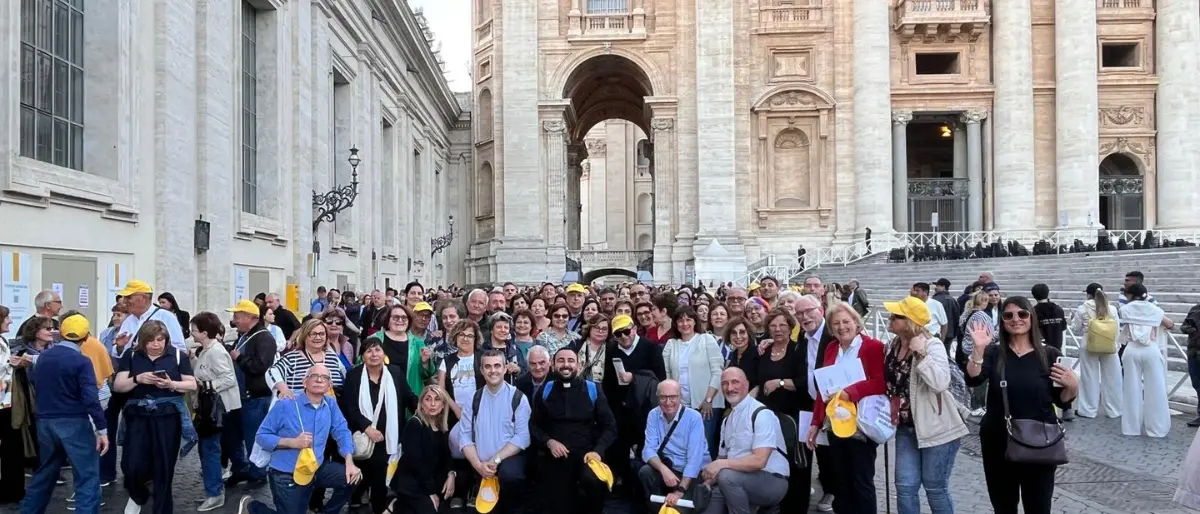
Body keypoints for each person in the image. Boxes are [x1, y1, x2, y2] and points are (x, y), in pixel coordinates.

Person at [965, 296, 1078, 514]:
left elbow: (1061, 399)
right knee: (1003, 506)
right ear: (1003, 321)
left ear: (1031, 317)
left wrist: (1072, 387)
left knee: (1038, 506)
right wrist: (978, 349)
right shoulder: (994, 352)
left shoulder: (1050, 354)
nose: (1016, 319)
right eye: (1009, 315)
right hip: (998, 439)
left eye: (1022, 314)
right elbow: (973, 378)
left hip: (1040, 440)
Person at [235, 364, 362, 514]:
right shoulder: (286, 404)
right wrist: (292, 442)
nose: (319, 380)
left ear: (329, 385)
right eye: (314, 376)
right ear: (304, 382)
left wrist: (349, 461)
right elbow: (262, 436)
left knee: (353, 477)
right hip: (287, 473)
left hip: (315, 467)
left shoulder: (330, 403)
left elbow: (341, 430)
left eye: (325, 377)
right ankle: (252, 507)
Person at [882, 298, 967, 514]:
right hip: (905, 427)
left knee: (935, 488)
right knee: (904, 487)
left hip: (936, 428)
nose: (890, 319)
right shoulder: (893, 345)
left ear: (911, 322)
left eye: (897, 316)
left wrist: (921, 354)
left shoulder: (932, 345)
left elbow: (940, 382)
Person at [20, 314, 109, 514]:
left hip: (45, 422)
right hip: (73, 422)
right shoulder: (81, 361)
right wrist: (102, 429)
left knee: (44, 474)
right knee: (87, 476)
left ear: (60, 333)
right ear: (86, 336)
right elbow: (90, 399)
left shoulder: (42, 358)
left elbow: (35, 383)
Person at [112, 320, 198, 514]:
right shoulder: (132, 355)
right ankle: (139, 494)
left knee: (164, 467)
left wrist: (171, 384)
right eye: (151, 340)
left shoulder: (177, 355)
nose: (156, 344)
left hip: (167, 416)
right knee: (131, 465)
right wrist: (137, 379)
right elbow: (118, 386)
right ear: (143, 341)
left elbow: (191, 384)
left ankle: (162, 509)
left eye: (160, 340)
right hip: (138, 416)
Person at [808, 302, 887, 514]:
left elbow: (881, 382)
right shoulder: (832, 348)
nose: (842, 327)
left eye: (846, 321)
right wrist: (815, 423)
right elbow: (823, 388)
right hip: (835, 425)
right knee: (840, 483)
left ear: (856, 322)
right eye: (836, 323)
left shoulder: (873, 347)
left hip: (861, 426)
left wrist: (850, 392)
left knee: (861, 482)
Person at [530, 348, 618, 514]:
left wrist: (598, 451)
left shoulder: (593, 389)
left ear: (579, 365)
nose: (566, 365)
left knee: (594, 482)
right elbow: (534, 426)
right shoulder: (546, 390)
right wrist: (549, 442)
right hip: (555, 457)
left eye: (571, 361)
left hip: (588, 455)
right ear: (553, 365)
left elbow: (610, 427)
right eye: (561, 361)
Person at [340, 338, 418, 512]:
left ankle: (379, 509)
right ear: (362, 356)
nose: (374, 354)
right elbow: (349, 407)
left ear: (384, 354)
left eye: (377, 350)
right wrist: (367, 429)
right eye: (369, 351)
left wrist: (423, 413)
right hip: (363, 435)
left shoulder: (395, 373)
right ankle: (355, 500)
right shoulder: (354, 375)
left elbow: (408, 397)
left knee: (380, 481)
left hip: (388, 437)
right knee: (362, 475)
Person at [700, 367, 790, 514]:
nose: (729, 388)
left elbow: (759, 461)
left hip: (772, 480)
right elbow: (721, 459)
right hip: (735, 480)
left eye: (735, 382)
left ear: (747, 385)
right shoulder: (726, 421)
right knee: (712, 497)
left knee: (726, 476)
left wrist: (721, 464)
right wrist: (708, 482)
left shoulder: (761, 414)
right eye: (724, 383)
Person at [459, 350, 532, 514]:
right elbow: (464, 436)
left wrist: (495, 459)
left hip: (508, 468)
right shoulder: (473, 399)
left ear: (505, 368)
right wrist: (478, 465)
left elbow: (523, 437)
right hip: (482, 468)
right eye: (488, 366)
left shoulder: (518, 398)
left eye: (497, 365)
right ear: (482, 370)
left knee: (510, 481)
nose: (493, 370)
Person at [191, 312, 247, 511]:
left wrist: (204, 384)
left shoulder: (216, 351)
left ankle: (215, 494)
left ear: (205, 332)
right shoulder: (207, 350)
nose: (192, 334)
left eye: (194, 331)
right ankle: (213, 491)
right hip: (212, 409)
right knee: (209, 451)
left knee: (210, 451)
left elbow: (228, 379)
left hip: (216, 410)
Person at [227, 299, 279, 486]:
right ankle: (241, 468)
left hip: (255, 397)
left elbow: (260, 366)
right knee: (234, 436)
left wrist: (239, 357)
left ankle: (257, 473)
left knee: (253, 437)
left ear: (251, 318)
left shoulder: (264, 337)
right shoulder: (243, 335)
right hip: (240, 396)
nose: (234, 320)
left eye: (238, 316)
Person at [639, 380, 710, 514]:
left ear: (680, 397)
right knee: (645, 472)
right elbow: (648, 450)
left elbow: (694, 460)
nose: (668, 402)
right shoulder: (653, 414)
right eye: (663, 397)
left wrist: (680, 490)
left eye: (673, 397)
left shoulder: (694, 417)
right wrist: (663, 469)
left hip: (693, 473)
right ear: (657, 397)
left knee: (679, 509)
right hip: (670, 468)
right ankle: (656, 509)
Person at [388, 385, 455, 514]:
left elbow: (447, 455)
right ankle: (397, 504)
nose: (433, 404)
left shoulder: (441, 428)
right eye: (428, 399)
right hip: (412, 486)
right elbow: (415, 464)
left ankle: (396, 507)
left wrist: (451, 473)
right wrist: (430, 493)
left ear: (443, 405)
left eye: (437, 399)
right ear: (421, 404)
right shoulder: (415, 425)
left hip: (428, 483)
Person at [1119, 283, 1173, 438]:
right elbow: (1170, 324)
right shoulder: (1156, 310)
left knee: (1131, 388)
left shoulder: (1125, 309)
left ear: (1130, 295)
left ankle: (1131, 428)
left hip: (1131, 349)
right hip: (1151, 349)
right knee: (1156, 388)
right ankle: (1157, 428)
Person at [1071, 283, 1122, 421]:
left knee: (1089, 377)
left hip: (1089, 343)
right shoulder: (1112, 308)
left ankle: (1088, 409)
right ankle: (1114, 409)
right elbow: (1117, 328)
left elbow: (1075, 327)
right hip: (1109, 344)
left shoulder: (1083, 308)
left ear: (1088, 294)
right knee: (1112, 378)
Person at [113, 280, 187, 352]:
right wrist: (120, 347)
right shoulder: (128, 321)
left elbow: (180, 349)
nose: (124, 301)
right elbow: (118, 353)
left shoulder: (166, 317)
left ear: (143, 298)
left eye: (128, 297)